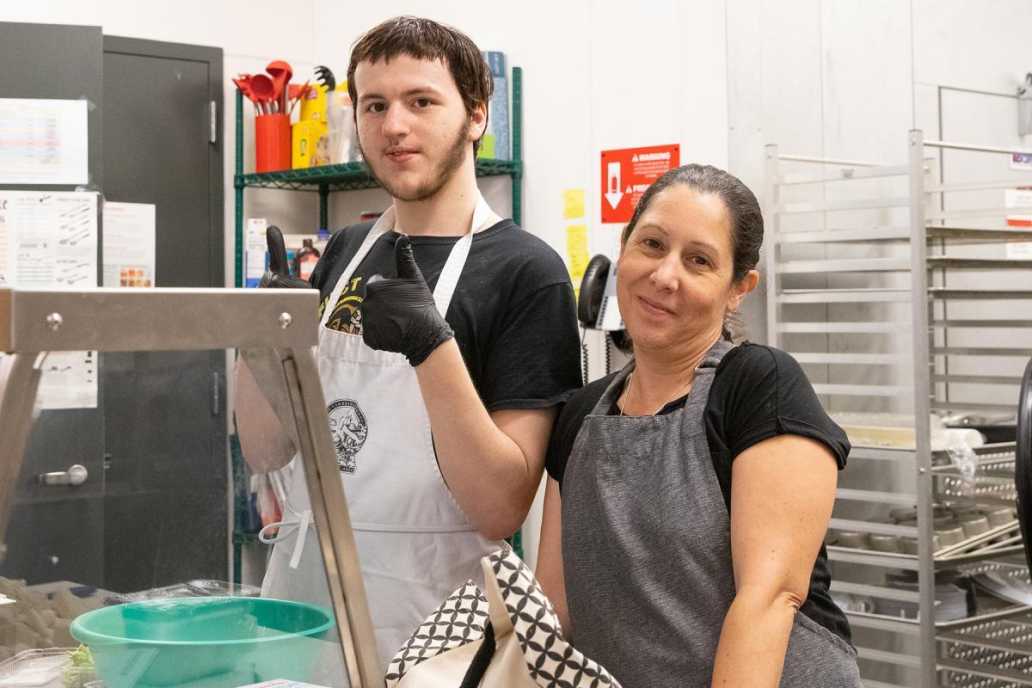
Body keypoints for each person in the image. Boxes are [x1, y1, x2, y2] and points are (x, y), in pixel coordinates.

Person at [234, 15, 581, 670]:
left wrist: (431, 346)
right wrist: (261, 339)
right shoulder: (343, 252)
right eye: (375, 105)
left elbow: (500, 506)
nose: (395, 126)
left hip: (435, 626)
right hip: (306, 601)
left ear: (477, 114)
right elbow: (267, 448)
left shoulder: (525, 272)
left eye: (422, 101)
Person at [535, 164, 862, 687]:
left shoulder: (758, 387)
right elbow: (557, 608)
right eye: (652, 244)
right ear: (624, 247)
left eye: (699, 261)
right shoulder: (581, 417)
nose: (665, 276)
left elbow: (769, 599)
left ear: (738, 288)